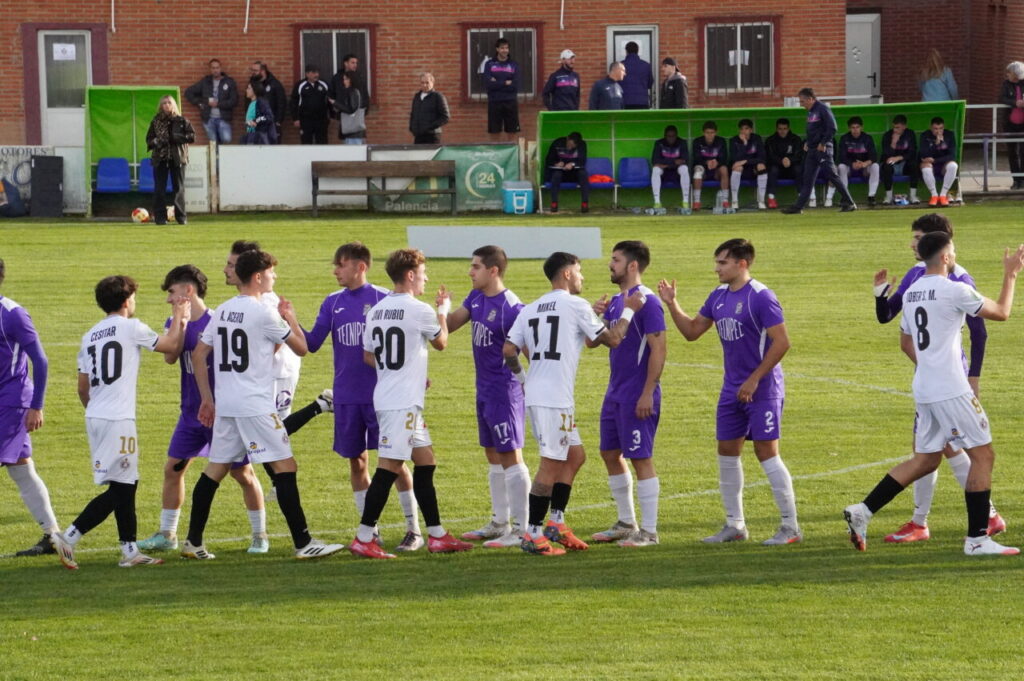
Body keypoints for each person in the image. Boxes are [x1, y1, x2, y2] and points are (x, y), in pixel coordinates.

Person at [845, 233, 1024, 556]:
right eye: (953, 250)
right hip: (951, 387)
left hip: (925, 387)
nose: (954, 255)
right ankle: (977, 539)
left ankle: (863, 511)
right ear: (944, 256)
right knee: (983, 456)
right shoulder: (955, 289)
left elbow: (905, 341)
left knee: (926, 460)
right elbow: (1001, 312)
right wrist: (1010, 275)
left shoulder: (912, 293)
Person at [180, 249, 344, 561]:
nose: (274, 277)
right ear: (257, 277)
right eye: (271, 272)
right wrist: (289, 319)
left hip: (227, 403)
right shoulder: (264, 313)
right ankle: (304, 543)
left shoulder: (224, 311)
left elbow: (200, 354)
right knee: (285, 467)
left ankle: (193, 541)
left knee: (215, 469)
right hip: (254, 404)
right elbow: (303, 348)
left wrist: (207, 398)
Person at [658, 239, 801, 546]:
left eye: (722, 263)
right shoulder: (719, 296)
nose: (716, 268)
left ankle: (791, 527)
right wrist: (672, 304)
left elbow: (782, 342)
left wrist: (754, 379)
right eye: (717, 262)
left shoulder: (762, 297)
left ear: (742, 264)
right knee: (726, 452)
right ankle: (735, 525)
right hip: (731, 390)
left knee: (766, 453)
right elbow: (693, 332)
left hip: (763, 389)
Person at [871, 213, 1004, 542]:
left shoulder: (958, 281)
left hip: (949, 381)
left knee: (941, 451)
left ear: (938, 243)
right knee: (933, 451)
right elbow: (888, 316)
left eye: (917, 238)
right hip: (932, 379)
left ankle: (968, 520)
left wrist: (973, 376)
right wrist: (879, 296)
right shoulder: (917, 277)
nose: (912, 244)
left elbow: (980, 331)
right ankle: (949, 521)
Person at [503, 252, 642, 556]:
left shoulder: (531, 308)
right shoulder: (575, 305)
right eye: (578, 272)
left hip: (547, 396)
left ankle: (557, 522)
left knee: (575, 456)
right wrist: (629, 311)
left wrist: (525, 379)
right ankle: (533, 533)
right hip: (552, 400)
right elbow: (614, 339)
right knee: (551, 463)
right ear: (566, 274)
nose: (582, 277)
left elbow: (509, 349)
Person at [50, 276, 189, 570]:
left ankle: (129, 549)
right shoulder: (131, 327)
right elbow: (169, 346)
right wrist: (179, 316)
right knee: (121, 489)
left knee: (126, 482)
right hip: (118, 419)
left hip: (96, 416)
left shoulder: (89, 336)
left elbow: (82, 388)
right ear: (126, 301)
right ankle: (69, 537)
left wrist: (97, 410)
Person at [136, 265, 271, 555]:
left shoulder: (216, 320)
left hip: (223, 415)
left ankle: (260, 535)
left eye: (172, 293)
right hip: (190, 415)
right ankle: (167, 533)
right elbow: (171, 357)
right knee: (173, 470)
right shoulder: (174, 323)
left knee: (243, 474)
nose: (168, 299)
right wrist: (179, 321)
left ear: (188, 291)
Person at [351, 249, 473, 559]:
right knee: (390, 465)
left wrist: (404, 369)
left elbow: (368, 356)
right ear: (409, 275)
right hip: (400, 402)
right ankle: (364, 537)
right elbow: (441, 342)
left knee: (426, 460)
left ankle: (437, 534)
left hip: (395, 396)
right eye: (422, 273)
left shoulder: (376, 311)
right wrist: (443, 309)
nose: (426, 278)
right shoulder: (419, 310)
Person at [303, 242, 423, 552]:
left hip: (383, 397)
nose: (335, 270)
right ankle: (372, 532)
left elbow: (409, 340)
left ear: (360, 267)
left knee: (395, 463)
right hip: (346, 397)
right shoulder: (332, 303)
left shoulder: (384, 299)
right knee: (357, 463)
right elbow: (312, 343)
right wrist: (287, 320)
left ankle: (414, 528)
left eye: (340, 265)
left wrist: (414, 375)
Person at [440, 246, 531, 548]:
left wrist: (529, 384)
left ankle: (522, 528)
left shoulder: (513, 307)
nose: (470, 271)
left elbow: (531, 351)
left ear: (493, 271)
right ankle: (499, 521)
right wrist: (441, 309)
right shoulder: (476, 298)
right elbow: (450, 326)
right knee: (492, 453)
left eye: (476, 267)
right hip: (484, 390)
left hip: (505, 392)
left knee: (510, 454)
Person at [591, 241, 666, 547]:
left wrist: (648, 392)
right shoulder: (616, 303)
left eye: (616, 259)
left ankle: (649, 532)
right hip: (615, 392)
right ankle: (625, 522)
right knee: (609, 453)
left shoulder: (647, 302)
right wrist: (595, 319)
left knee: (641, 458)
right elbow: (595, 343)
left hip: (637, 392)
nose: (610, 264)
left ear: (632, 265)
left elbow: (659, 349)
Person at [0, 258, 62, 558]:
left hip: (12, 403)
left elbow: (41, 360)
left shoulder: (12, 314)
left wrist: (36, 406)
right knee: (22, 470)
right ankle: (52, 536)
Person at [782, 88, 857, 214]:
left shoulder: (822, 109)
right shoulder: (811, 112)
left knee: (833, 176)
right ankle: (798, 207)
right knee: (807, 178)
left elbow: (833, 128)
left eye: (802, 101)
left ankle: (849, 202)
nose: (801, 105)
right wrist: (807, 142)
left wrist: (823, 143)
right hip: (812, 150)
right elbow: (813, 130)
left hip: (822, 149)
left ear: (810, 99)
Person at [145, 95, 194, 226]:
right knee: (159, 189)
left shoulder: (182, 120)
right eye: (164, 103)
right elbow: (149, 139)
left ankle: (181, 217)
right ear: (161, 106)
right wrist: (156, 142)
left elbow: (191, 136)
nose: (166, 105)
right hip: (160, 158)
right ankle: (160, 217)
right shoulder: (156, 121)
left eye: (169, 103)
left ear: (173, 105)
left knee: (179, 189)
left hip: (177, 158)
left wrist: (175, 138)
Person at [184, 59, 238, 144]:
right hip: (209, 119)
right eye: (213, 68)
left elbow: (234, 101)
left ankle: (221, 156)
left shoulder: (229, 82)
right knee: (213, 143)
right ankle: (216, 157)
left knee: (226, 139)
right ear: (210, 69)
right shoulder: (205, 82)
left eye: (217, 68)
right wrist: (202, 102)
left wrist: (218, 104)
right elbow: (188, 92)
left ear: (221, 68)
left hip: (224, 118)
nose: (215, 70)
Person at [836, 116, 880, 207]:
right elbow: (841, 157)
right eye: (853, 128)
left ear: (861, 127)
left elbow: (874, 156)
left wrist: (865, 163)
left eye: (857, 127)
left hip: (864, 167)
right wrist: (852, 164)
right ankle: (845, 196)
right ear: (849, 128)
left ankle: (871, 196)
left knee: (875, 166)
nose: (855, 130)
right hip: (850, 167)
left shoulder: (867, 138)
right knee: (841, 167)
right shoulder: (844, 138)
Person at [482, 38, 521, 141]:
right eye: (502, 48)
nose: (505, 50)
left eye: (507, 48)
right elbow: (489, 84)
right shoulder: (489, 64)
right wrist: (505, 82)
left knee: (512, 131)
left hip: (510, 101)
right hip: (494, 101)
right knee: (494, 131)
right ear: (497, 49)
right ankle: (496, 154)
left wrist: (497, 82)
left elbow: (515, 86)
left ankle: (512, 155)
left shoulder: (514, 65)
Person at [544, 131, 589, 214]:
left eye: (573, 147)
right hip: (561, 172)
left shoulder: (582, 145)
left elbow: (582, 161)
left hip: (574, 173)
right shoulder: (557, 143)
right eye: (569, 145)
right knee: (556, 174)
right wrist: (556, 164)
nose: (570, 148)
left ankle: (585, 203)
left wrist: (572, 164)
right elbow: (549, 160)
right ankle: (554, 203)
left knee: (583, 173)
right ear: (567, 139)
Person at [329, 54, 370, 144]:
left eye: (356, 63)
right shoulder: (337, 78)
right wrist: (334, 112)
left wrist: (364, 111)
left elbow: (364, 96)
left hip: (354, 115)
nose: (355, 65)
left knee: (354, 140)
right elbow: (331, 94)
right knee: (347, 139)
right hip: (343, 114)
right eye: (352, 62)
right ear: (346, 63)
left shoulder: (359, 78)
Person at [729, 119, 768, 210]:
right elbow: (734, 159)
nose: (744, 131)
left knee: (761, 166)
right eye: (742, 129)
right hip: (741, 171)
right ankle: (735, 201)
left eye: (746, 129)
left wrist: (746, 161)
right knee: (737, 167)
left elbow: (762, 158)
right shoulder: (734, 140)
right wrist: (744, 144)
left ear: (751, 130)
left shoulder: (757, 139)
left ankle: (761, 201)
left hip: (753, 169)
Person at [880, 114, 920, 205]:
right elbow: (886, 153)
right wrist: (893, 142)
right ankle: (888, 197)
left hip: (905, 162)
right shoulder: (887, 135)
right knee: (887, 166)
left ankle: (913, 196)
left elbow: (912, 152)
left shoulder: (910, 134)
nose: (895, 130)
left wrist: (899, 157)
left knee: (914, 165)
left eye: (898, 127)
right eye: (894, 127)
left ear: (904, 126)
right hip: (891, 163)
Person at [919, 116, 959, 206]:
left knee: (953, 165)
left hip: (943, 164)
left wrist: (935, 160)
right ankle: (934, 195)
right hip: (930, 165)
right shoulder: (925, 135)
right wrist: (936, 144)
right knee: (925, 167)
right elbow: (923, 154)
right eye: (935, 129)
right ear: (931, 128)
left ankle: (943, 195)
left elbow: (952, 155)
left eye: (941, 128)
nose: (938, 131)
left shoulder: (949, 135)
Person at [649, 125, 690, 212]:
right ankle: (657, 202)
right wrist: (674, 162)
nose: (671, 138)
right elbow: (655, 160)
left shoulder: (682, 142)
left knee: (684, 168)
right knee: (656, 169)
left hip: (676, 173)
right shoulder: (659, 143)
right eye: (669, 136)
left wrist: (666, 163)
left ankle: (685, 201)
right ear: (665, 136)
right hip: (664, 174)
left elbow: (685, 160)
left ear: (676, 135)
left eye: (673, 136)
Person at [765, 117, 803, 209]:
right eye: (780, 129)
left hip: (792, 167)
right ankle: (771, 198)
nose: (782, 131)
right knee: (772, 169)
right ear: (776, 129)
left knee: (799, 169)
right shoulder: (770, 140)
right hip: (777, 168)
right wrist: (781, 161)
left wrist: (790, 160)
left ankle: (801, 197)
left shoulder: (796, 139)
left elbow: (799, 155)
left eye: (785, 129)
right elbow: (770, 156)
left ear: (788, 128)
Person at [691, 121, 729, 212]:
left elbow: (724, 158)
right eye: (707, 133)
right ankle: (696, 201)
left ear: (716, 132)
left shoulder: (721, 141)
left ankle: (725, 200)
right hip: (703, 169)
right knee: (697, 171)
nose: (710, 135)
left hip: (717, 170)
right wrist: (706, 162)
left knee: (724, 169)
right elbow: (696, 158)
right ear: (703, 132)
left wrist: (717, 163)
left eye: (712, 133)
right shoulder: (697, 142)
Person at [998, 61, 1024, 190]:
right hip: (1010, 124)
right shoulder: (1006, 84)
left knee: (1023, 152)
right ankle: (1016, 180)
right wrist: (1015, 103)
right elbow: (1002, 99)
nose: (1007, 75)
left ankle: (1023, 179)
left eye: (1010, 73)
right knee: (1012, 153)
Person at [290, 64, 331, 145]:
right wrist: (295, 118)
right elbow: (294, 102)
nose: (316, 75)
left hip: (321, 120)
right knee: (306, 143)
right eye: (313, 72)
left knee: (322, 143)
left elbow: (330, 101)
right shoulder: (300, 85)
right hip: (305, 120)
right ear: (307, 74)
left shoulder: (324, 84)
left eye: (317, 72)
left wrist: (331, 116)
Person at [249, 61, 287, 144]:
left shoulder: (275, 84)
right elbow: (248, 102)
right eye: (252, 70)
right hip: (256, 123)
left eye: (255, 70)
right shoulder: (252, 84)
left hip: (271, 123)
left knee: (272, 149)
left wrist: (278, 121)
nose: (253, 73)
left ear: (262, 71)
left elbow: (281, 103)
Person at [409, 72, 450, 144]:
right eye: (422, 83)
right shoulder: (417, 97)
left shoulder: (438, 97)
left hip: (432, 135)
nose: (424, 85)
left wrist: (430, 127)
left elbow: (445, 117)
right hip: (419, 135)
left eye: (427, 83)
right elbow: (413, 114)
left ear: (432, 83)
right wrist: (412, 128)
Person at [620, 42, 653, 109]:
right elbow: (650, 83)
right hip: (642, 101)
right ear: (637, 51)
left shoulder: (620, 65)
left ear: (626, 51)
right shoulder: (646, 65)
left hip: (625, 101)